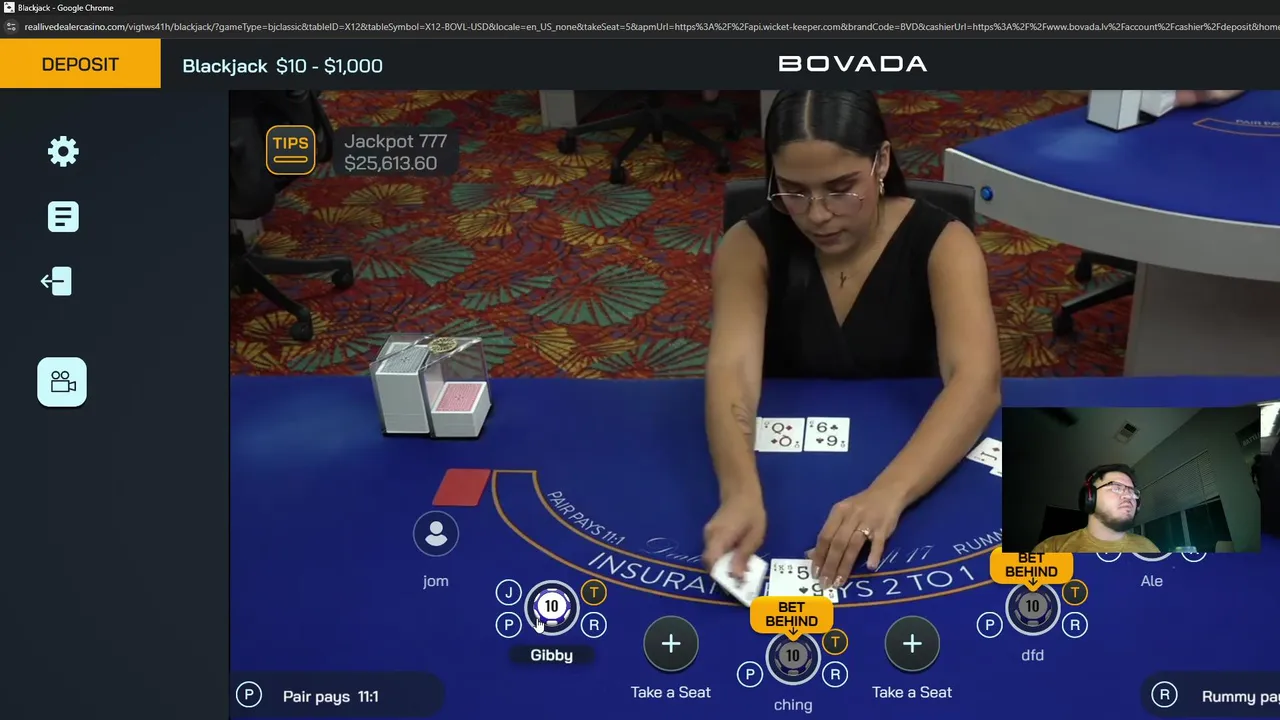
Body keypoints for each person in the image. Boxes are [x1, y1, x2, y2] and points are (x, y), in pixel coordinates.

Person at [701, 90, 1002, 590]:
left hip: (914, 450)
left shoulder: (946, 243)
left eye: (841, 189)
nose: (817, 214)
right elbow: (731, 371)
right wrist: (739, 492)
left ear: (881, 161)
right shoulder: (747, 245)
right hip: (790, 460)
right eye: (794, 191)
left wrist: (888, 494)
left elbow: (977, 381)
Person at [1033, 464, 1159, 553]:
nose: (1128, 496)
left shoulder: (1149, 550)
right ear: (1090, 497)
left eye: (1132, 491)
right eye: (1116, 488)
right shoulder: (1051, 548)